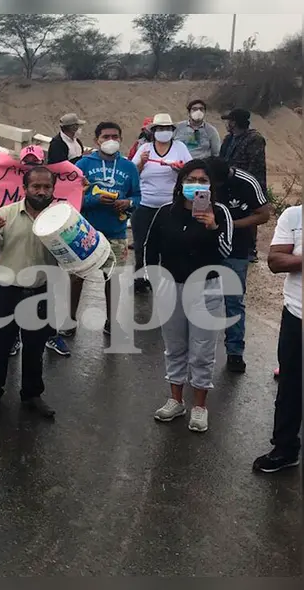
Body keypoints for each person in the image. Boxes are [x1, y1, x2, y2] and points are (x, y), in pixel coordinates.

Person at [144, 160, 233, 433]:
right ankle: (175, 400)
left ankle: (200, 406)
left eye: (202, 180)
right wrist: (154, 279)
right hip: (171, 286)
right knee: (174, 346)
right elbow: (150, 247)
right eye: (191, 179)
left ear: (210, 186)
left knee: (203, 350)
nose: (196, 185)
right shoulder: (164, 212)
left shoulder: (219, 212)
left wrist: (212, 227)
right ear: (180, 182)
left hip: (206, 288)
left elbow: (227, 252)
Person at [0, 166, 60, 418]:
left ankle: (32, 394)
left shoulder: (61, 218)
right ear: (25, 188)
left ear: (53, 189)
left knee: (35, 347)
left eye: (47, 187)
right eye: (36, 186)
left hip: (39, 292)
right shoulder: (5, 214)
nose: (42, 192)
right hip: (5, 291)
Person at [65, 122, 143, 351]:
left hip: (116, 233)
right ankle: (70, 320)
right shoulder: (83, 164)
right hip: (85, 232)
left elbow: (138, 196)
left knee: (114, 279)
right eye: (106, 136)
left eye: (115, 136)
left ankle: (111, 321)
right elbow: (72, 198)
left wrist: (128, 203)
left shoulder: (129, 167)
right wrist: (93, 200)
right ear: (97, 139)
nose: (111, 140)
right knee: (77, 277)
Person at [204, 157, 272, 373]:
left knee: (233, 302)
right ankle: (198, 350)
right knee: (200, 300)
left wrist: (230, 225)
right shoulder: (201, 180)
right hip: (205, 247)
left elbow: (264, 214)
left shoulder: (247, 182)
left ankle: (235, 352)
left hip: (237, 250)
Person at [253, 205, 302, 472]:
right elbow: (275, 261)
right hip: (298, 314)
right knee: (291, 386)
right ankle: (285, 449)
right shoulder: (294, 216)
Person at [131, 113, 193, 293]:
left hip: (171, 206)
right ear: (154, 131)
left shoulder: (180, 148)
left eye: (167, 129)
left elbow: (192, 171)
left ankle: (169, 278)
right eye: (160, 129)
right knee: (143, 244)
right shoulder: (145, 149)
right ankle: (142, 278)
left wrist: (180, 170)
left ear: (172, 131)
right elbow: (133, 175)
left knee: (169, 243)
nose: (163, 132)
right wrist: (141, 163)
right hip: (145, 205)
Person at [220, 107, 268, 262]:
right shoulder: (229, 139)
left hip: (248, 184)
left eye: (229, 120)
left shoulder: (255, 139)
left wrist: (249, 186)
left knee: (251, 215)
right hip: (228, 184)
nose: (227, 124)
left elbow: (256, 165)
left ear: (234, 122)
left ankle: (250, 249)